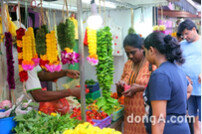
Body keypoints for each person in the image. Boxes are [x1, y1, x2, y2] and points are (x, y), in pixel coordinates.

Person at [143, 32, 192, 134]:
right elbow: (189, 88)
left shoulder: (160, 75)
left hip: (168, 129)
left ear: (151, 50)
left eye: (145, 52)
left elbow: (159, 119)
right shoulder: (177, 69)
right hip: (182, 127)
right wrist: (175, 103)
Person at [116, 34, 155, 134]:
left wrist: (140, 88)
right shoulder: (128, 64)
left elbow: (159, 89)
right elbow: (119, 94)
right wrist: (120, 87)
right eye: (127, 53)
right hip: (129, 115)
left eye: (133, 52)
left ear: (142, 48)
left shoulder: (151, 64)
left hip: (145, 114)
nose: (130, 56)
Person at [178, 19, 201, 134]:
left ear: (194, 29)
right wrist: (183, 76)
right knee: (192, 119)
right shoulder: (181, 45)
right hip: (188, 90)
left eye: (186, 33)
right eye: (183, 35)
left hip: (201, 89)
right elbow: (177, 63)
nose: (185, 37)